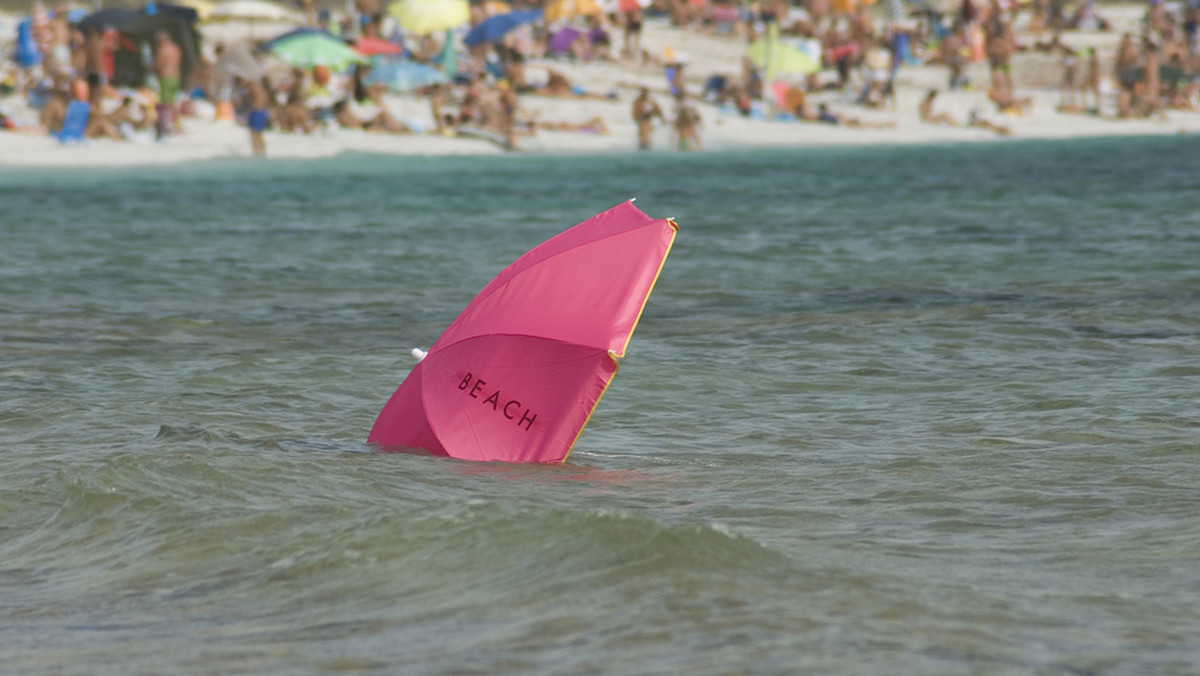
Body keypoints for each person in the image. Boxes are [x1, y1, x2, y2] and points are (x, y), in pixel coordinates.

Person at [153, 30, 181, 139]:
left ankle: (166, 126)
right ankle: (176, 124)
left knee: (165, 103)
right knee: (173, 102)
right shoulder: (175, 49)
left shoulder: (163, 50)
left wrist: (153, 68)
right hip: (176, 77)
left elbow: (159, 65)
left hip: (166, 77)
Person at [244, 76, 269, 157]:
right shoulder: (261, 89)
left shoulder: (252, 88)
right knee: (260, 133)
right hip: (263, 111)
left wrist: (248, 110)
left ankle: (256, 152)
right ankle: (262, 152)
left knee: (254, 133)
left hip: (256, 111)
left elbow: (253, 101)